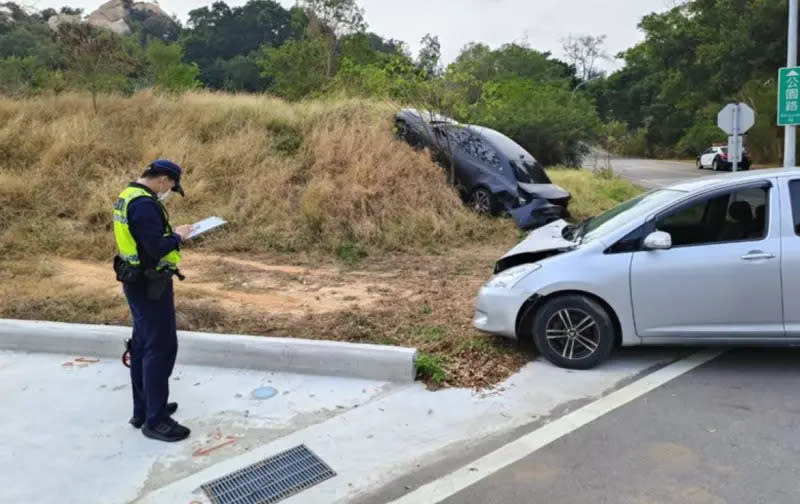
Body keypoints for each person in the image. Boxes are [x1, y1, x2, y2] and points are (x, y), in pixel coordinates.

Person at [112, 159, 193, 442]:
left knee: (143, 345)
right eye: (171, 186)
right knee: (160, 348)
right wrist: (178, 236)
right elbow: (156, 247)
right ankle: (156, 421)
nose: (169, 191)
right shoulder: (145, 205)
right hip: (149, 284)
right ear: (162, 180)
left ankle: (144, 409)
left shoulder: (128, 195)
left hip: (136, 281)